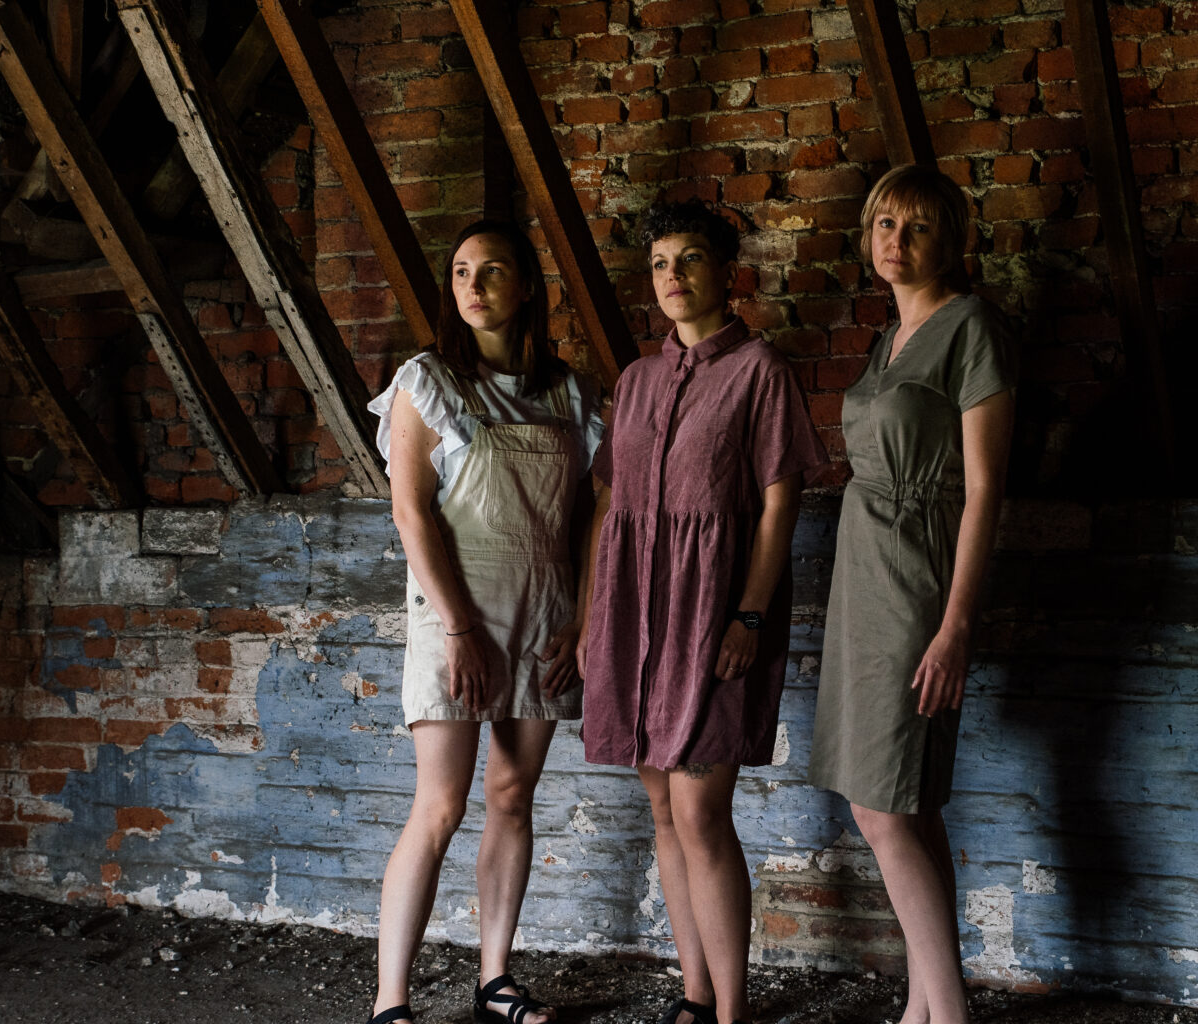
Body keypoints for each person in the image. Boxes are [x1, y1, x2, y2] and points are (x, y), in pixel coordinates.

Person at [579, 199, 826, 1024]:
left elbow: (780, 504)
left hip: (715, 618)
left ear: (726, 272)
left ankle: (732, 1012)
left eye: (688, 259)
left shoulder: (760, 370)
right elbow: (609, 504)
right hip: (633, 620)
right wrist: (591, 620)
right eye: (659, 263)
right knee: (662, 809)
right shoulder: (636, 380)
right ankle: (695, 995)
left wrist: (750, 616)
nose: (672, 276)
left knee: (699, 811)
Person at [364, 220, 604, 1024]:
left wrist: (582, 617)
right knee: (440, 806)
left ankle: (495, 980)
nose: (473, 285)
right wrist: (460, 629)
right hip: (455, 617)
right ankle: (391, 1002)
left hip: (543, 615)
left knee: (511, 796)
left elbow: (591, 518)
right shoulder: (428, 380)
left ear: (526, 286)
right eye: (462, 271)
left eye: (492, 270)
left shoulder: (570, 394)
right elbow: (410, 513)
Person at [807, 165, 1017, 1024]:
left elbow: (985, 489)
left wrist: (956, 624)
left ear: (950, 242)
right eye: (885, 223)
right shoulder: (888, 338)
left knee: (881, 805)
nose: (897, 240)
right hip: (862, 571)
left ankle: (950, 1015)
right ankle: (924, 1006)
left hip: (917, 575)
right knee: (912, 805)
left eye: (919, 226)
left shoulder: (972, 327)